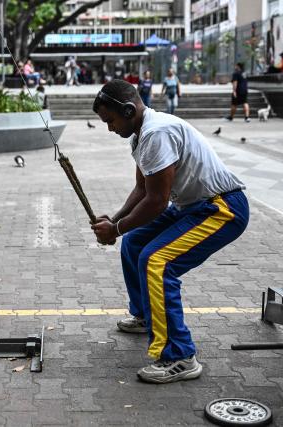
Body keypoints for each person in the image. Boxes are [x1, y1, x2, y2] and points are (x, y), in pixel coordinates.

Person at [91, 79, 248, 384]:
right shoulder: (141, 136)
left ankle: (180, 356)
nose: (109, 128)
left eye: (110, 121)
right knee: (135, 243)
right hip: (192, 206)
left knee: (157, 262)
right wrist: (116, 221)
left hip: (222, 209)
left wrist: (116, 228)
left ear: (128, 109)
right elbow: (142, 189)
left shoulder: (157, 133)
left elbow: (157, 202)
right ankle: (145, 315)